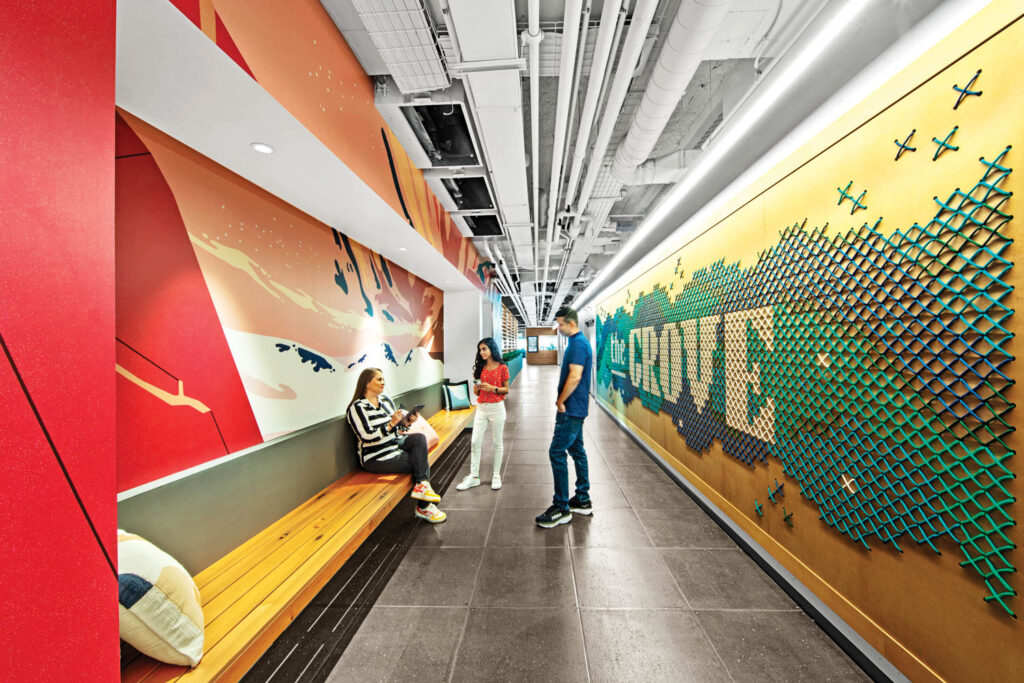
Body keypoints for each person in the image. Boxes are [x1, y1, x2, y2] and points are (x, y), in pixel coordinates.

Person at [346, 367, 446, 523]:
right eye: (379, 379)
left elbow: (397, 429)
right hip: (376, 457)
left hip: (393, 444)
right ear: (367, 383)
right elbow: (366, 437)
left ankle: (422, 486)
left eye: (383, 379)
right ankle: (424, 506)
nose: (383, 382)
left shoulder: (384, 401)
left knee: (419, 438)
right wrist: (390, 424)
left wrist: (407, 422)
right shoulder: (357, 408)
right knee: (419, 461)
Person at [536, 306, 593, 528]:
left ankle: (561, 507)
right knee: (577, 451)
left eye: (560, 324)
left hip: (570, 410)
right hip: (576, 409)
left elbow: (575, 377)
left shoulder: (578, 344)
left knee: (556, 452)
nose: (558, 328)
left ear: (571, 323)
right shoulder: (578, 343)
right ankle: (582, 499)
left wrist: (560, 401)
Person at [456, 337, 510, 491]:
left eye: (484, 349)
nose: (481, 352)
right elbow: (476, 392)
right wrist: (477, 389)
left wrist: (493, 388)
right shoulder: (480, 368)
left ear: (492, 348)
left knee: (497, 442)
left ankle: (496, 475)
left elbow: (506, 390)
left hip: (497, 408)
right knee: (475, 442)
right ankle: (474, 477)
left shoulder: (502, 367)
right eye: (480, 350)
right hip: (481, 408)